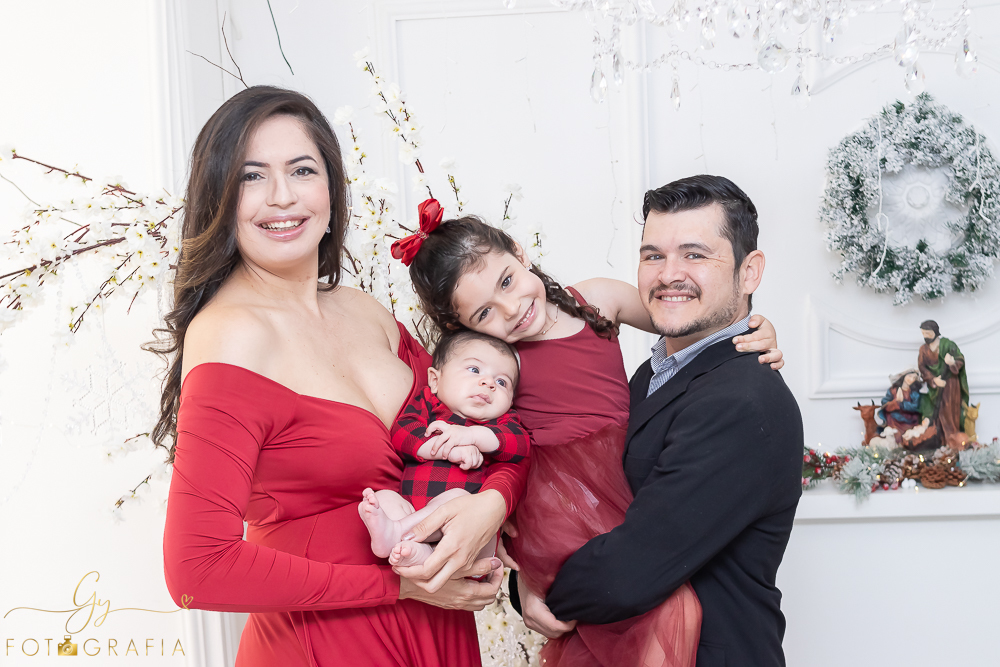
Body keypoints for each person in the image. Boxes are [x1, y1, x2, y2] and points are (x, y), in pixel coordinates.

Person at [154, 86, 527, 667]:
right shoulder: (231, 333)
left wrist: (494, 504)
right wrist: (395, 587)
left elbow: (485, 426)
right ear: (219, 197)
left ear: (331, 188)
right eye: (252, 176)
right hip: (327, 645)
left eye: (302, 170)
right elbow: (196, 568)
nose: (282, 196)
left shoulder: (364, 311)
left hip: (437, 629)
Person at [391, 183, 784, 665]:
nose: (511, 309)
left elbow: (680, 312)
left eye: (508, 282)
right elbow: (485, 439)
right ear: (465, 327)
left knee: (650, 612)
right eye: (485, 312)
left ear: (519, 252)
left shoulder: (599, 303)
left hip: (620, 494)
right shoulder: (500, 365)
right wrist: (524, 582)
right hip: (560, 497)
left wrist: (752, 327)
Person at [527, 176, 804, 667]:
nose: (669, 274)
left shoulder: (743, 400)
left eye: (695, 255)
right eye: (653, 255)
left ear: (749, 272)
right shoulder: (652, 374)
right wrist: (524, 584)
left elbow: (630, 571)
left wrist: (542, 587)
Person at [359, 328, 529, 569]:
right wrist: (449, 450)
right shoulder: (428, 404)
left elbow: (520, 445)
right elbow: (403, 433)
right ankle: (416, 552)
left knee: (458, 498)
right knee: (383, 498)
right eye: (474, 370)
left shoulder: (500, 423)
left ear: (510, 401)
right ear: (435, 380)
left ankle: (400, 534)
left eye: (502, 382)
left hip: (467, 534)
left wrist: (472, 436)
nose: (489, 383)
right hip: (413, 511)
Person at [917, 320, 969, 448]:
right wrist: (934, 380)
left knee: (949, 413)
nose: (925, 336)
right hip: (934, 387)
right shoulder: (923, 349)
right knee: (935, 413)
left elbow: (960, 359)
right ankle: (939, 442)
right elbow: (922, 367)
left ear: (935, 332)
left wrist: (952, 362)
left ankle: (952, 442)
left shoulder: (948, 345)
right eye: (923, 333)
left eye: (928, 333)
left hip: (950, 385)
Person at [878, 369, 925, 444]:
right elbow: (885, 402)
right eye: (910, 376)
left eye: (914, 378)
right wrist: (895, 403)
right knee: (896, 437)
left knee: (910, 437)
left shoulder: (914, 393)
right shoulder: (893, 390)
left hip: (910, 419)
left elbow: (915, 406)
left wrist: (902, 404)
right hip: (894, 419)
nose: (911, 379)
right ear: (904, 376)